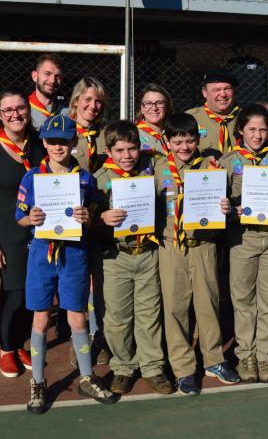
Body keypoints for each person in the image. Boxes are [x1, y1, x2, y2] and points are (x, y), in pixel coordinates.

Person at [16, 113, 116, 413]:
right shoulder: (31, 176)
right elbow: (19, 216)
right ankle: (38, 381)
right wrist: (28, 219)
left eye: (64, 141)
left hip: (73, 254)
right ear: (44, 142)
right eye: (52, 141)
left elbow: (96, 216)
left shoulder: (85, 178)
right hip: (42, 254)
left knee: (78, 317)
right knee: (42, 317)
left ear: (74, 142)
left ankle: (86, 376)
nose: (58, 147)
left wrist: (89, 218)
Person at [153, 112, 240, 395]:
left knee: (208, 304)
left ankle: (214, 359)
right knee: (176, 307)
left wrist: (225, 207)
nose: (184, 148)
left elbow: (223, 202)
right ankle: (183, 367)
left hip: (203, 245)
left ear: (197, 140)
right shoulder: (157, 168)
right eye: (178, 142)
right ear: (167, 141)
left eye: (190, 141)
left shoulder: (211, 167)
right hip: (171, 246)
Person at [94, 120, 173, 396]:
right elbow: (86, 219)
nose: (126, 156)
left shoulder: (150, 174)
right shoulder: (100, 179)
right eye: (119, 150)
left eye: (132, 149)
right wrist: (101, 217)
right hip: (116, 257)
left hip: (148, 253)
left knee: (149, 314)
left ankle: (152, 367)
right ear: (108, 151)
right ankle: (124, 367)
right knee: (117, 317)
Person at [219, 104, 268, 383]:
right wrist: (231, 210)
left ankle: (265, 357)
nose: (257, 135)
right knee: (243, 298)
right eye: (252, 129)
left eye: (263, 129)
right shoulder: (229, 162)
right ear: (240, 130)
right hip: (243, 238)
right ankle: (246, 355)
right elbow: (221, 204)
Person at [0, 88, 45, 378]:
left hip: (39, 232)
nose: (15, 114)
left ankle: (19, 342)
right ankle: (5, 347)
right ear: (0, 115)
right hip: (8, 235)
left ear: (28, 110)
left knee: (34, 293)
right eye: (8, 110)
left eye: (20, 108)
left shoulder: (39, 146)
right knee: (14, 293)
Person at [67, 76, 109, 363]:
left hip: (102, 214)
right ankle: (79, 340)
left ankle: (99, 336)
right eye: (88, 99)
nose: (93, 106)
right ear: (76, 101)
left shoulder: (107, 135)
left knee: (101, 279)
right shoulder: (65, 133)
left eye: (98, 102)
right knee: (79, 280)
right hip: (73, 218)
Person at [186, 67, 241, 154]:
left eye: (227, 89)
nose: (223, 94)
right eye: (216, 90)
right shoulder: (190, 118)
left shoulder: (247, 117)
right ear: (204, 92)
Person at [28, 54, 68, 129]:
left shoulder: (68, 110)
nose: (53, 81)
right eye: (47, 74)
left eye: (57, 76)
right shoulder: (23, 108)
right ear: (35, 76)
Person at [135, 83, 172, 159]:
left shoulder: (174, 132)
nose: (154, 108)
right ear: (142, 108)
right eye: (148, 103)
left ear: (167, 107)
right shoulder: (132, 135)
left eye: (159, 103)